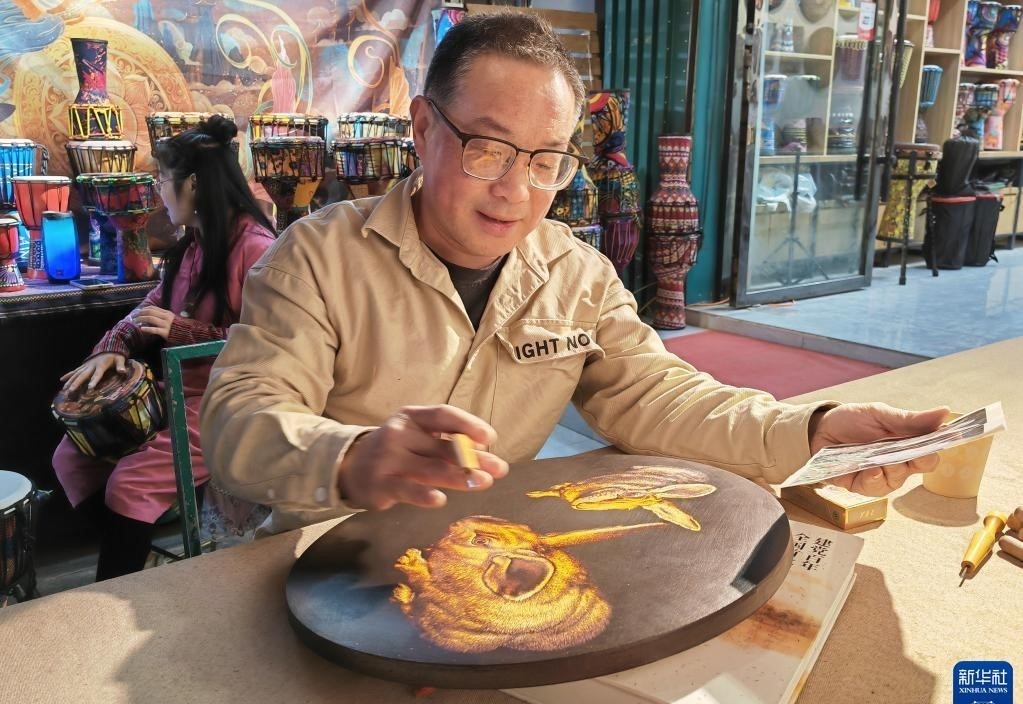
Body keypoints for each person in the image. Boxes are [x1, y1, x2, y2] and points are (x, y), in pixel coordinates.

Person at [200, 13, 946, 533]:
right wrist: (352, 456)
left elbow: (658, 397)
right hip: (324, 569)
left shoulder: (574, 274)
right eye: (487, 149)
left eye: (547, 160)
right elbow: (239, 420)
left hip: (488, 557)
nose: (515, 190)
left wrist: (810, 430)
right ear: (423, 129)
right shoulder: (318, 257)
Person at [53, 115, 276, 579]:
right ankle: (141, 562)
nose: (159, 191)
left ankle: (118, 594)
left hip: (228, 404)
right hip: (177, 396)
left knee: (130, 485)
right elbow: (150, 308)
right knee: (71, 460)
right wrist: (113, 348)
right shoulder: (195, 245)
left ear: (192, 184)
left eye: (163, 180)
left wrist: (182, 331)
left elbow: (269, 344)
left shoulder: (256, 248)